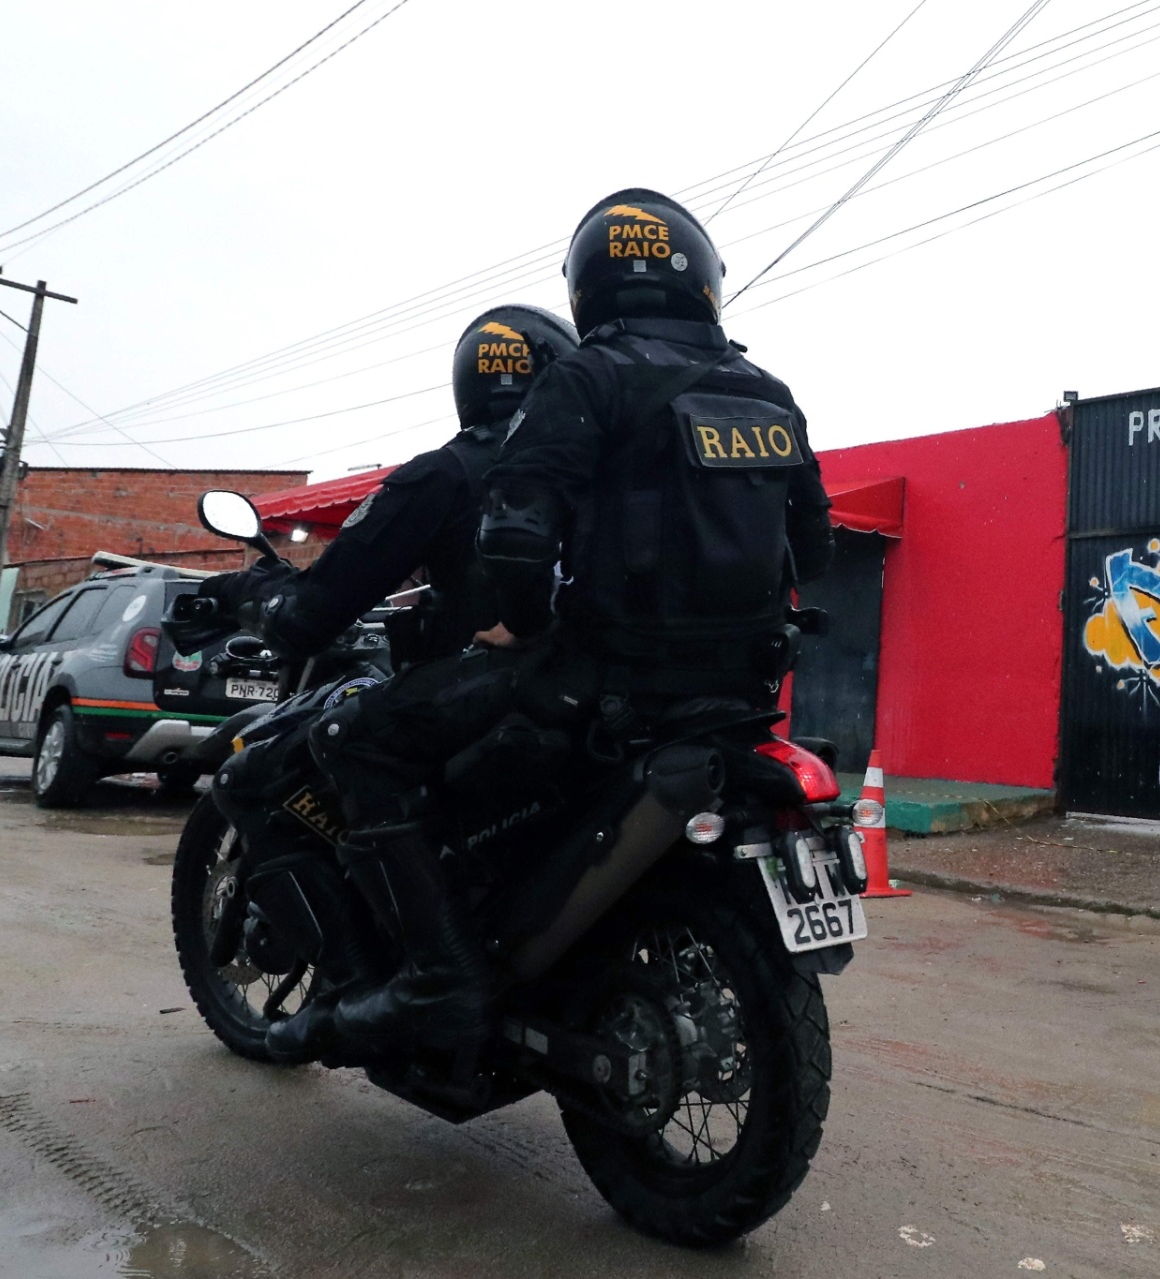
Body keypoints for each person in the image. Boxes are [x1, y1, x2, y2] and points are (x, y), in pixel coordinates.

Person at [267, 189, 836, 1064]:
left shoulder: (593, 375)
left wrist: (523, 624)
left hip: (604, 676)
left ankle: (438, 975)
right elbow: (813, 546)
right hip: (738, 688)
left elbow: (518, 531)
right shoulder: (767, 390)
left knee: (359, 741)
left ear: (590, 287)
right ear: (705, 279)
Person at [202, 304, 578, 668]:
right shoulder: (603, 469)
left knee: (329, 729)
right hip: (598, 704)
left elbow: (303, 621)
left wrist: (239, 589)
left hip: (487, 708)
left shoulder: (443, 475)